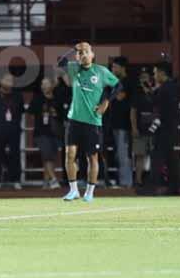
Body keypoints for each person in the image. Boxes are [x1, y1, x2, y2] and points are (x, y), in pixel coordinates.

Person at [58, 41, 122, 202]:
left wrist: (106, 101)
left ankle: (90, 192)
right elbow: (60, 62)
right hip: (74, 120)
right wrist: (72, 48)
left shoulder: (101, 71)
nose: (83, 55)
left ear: (92, 55)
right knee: (69, 155)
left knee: (92, 158)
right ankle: (73, 190)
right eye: (80, 53)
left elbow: (118, 86)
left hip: (93, 121)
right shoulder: (74, 69)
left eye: (86, 52)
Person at [146, 62, 180, 195]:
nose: (154, 76)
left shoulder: (167, 88)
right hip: (169, 127)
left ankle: (152, 187)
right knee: (169, 158)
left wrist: (159, 122)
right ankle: (174, 188)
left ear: (162, 73)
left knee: (158, 157)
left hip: (165, 127)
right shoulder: (169, 87)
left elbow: (162, 107)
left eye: (155, 73)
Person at [0, 74, 25, 190]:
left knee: (15, 155)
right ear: (0, 81)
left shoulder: (18, 96)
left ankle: (16, 180)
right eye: (7, 80)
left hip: (14, 130)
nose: (9, 82)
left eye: (11, 80)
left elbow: (21, 111)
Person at [28, 77, 65, 189]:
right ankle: (53, 180)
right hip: (41, 132)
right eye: (42, 84)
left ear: (52, 86)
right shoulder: (37, 98)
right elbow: (30, 112)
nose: (44, 86)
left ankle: (46, 182)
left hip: (54, 132)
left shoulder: (57, 99)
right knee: (47, 156)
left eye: (46, 84)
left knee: (50, 158)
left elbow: (62, 115)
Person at [106, 56, 135, 188]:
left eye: (115, 67)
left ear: (122, 68)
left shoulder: (128, 82)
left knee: (124, 154)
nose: (112, 69)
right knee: (118, 154)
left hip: (124, 123)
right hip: (115, 123)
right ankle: (122, 181)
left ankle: (126, 182)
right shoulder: (116, 82)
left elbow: (119, 96)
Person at [130, 67, 155, 188]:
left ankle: (154, 180)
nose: (143, 80)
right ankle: (138, 180)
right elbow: (133, 112)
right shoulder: (137, 94)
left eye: (145, 77)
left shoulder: (155, 93)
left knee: (155, 155)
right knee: (140, 155)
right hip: (140, 129)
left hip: (154, 129)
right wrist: (134, 128)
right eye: (141, 78)